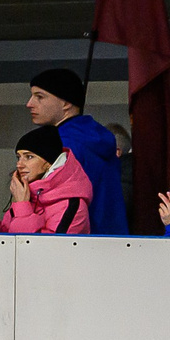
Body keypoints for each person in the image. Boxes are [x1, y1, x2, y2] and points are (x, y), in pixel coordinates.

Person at [26, 68, 125, 236]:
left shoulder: (62, 146)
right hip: (112, 238)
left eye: (40, 97)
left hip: (73, 241)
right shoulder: (97, 139)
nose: (29, 103)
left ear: (66, 103)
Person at [0, 124, 95, 235]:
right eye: (18, 157)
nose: (19, 164)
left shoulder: (72, 205)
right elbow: (10, 245)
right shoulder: (28, 194)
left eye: (29, 157)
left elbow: (42, 250)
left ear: (49, 163)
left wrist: (22, 206)